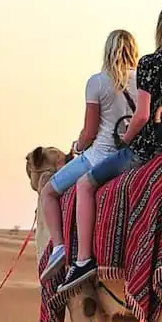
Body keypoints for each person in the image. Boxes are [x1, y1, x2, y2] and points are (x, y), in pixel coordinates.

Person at [61, 3, 162, 292]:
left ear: (161, 28)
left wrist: (125, 142)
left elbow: (142, 115)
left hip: (147, 150)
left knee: (86, 185)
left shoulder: (150, 63)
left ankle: (84, 259)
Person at [38, 29, 140, 280]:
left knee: (49, 192)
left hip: (99, 156)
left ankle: (61, 248)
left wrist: (77, 147)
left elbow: (90, 131)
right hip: (133, 157)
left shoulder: (97, 82)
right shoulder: (143, 81)